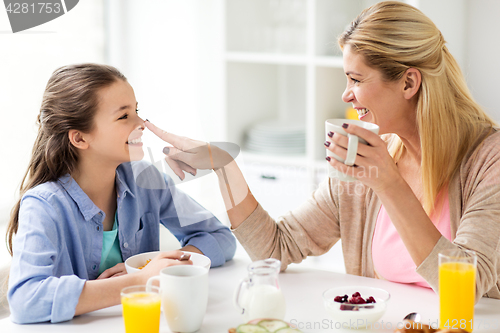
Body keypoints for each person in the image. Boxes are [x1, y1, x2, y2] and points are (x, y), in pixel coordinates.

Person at [145, 1, 500, 300]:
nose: (346, 94)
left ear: (408, 82)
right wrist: (222, 165)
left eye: (356, 80)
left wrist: (389, 184)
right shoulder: (364, 162)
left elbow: (468, 286)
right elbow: (276, 248)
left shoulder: (489, 160)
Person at [6, 63, 236, 324]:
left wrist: (162, 268)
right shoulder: (44, 206)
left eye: (136, 111)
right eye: (124, 116)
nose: (142, 124)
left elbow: (221, 237)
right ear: (80, 138)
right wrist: (138, 280)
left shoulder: (145, 180)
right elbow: (26, 300)